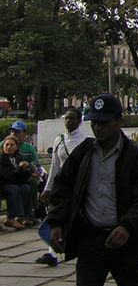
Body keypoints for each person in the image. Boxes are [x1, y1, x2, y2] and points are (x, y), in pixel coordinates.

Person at [47, 94, 138, 286]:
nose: (99, 128)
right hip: (91, 240)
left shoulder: (136, 156)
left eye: (104, 123)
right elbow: (63, 187)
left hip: (126, 242)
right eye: (95, 123)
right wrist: (56, 221)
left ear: (119, 122)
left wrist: (127, 226)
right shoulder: (84, 153)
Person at [36, 107, 87, 267]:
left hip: (78, 186)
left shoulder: (85, 142)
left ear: (80, 121)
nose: (68, 121)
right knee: (56, 217)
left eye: (72, 119)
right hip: (62, 187)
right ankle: (52, 252)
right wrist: (48, 188)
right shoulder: (59, 140)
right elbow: (54, 166)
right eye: (66, 118)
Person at [0, 135, 36, 229]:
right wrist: (19, 168)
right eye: (6, 145)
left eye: (12, 145)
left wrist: (28, 171)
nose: (9, 147)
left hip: (13, 182)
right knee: (14, 189)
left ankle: (25, 215)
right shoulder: (1, 159)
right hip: (3, 184)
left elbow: (20, 178)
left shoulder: (18, 157)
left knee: (25, 188)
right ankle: (11, 217)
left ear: (16, 147)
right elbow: (8, 176)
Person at [9, 120, 45, 216]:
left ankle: (39, 209)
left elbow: (36, 165)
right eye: (12, 131)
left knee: (44, 180)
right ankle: (30, 211)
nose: (14, 134)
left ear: (24, 134)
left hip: (25, 174)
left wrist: (37, 172)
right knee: (29, 183)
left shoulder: (29, 148)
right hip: (13, 177)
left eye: (17, 132)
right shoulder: (4, 145)